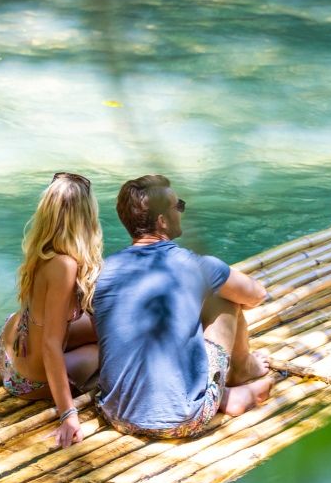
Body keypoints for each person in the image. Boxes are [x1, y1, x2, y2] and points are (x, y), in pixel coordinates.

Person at [89, 174, 271, 440]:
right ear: (162, 221)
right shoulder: (196, 265)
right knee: (226, 299)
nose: (181, 211)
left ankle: (221, 392)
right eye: (179, 206)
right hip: (184, 420)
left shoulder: (103, 271)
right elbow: (256, 294)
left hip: (116, 415)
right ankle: (242, 371)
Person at [0, 172, 104, 449]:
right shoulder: (65, 266)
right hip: (25, 381)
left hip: (7, 351)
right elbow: (50, 345)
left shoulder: (44, 250)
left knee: (106, 325)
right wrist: (68, 414)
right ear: (85, 217)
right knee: (107, 351)